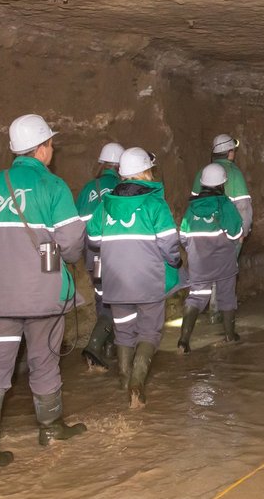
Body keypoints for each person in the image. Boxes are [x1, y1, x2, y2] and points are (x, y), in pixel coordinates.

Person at [0, 114, 88, 473]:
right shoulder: (53, 187)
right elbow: (72, 240)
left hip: (0, 297)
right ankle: (51, 430)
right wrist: (61, 262)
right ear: (43, 148)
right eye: (51, 144)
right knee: (44, 359)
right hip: (44, 294)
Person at [86, 147, 183, 409]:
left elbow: (93, 240)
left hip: (115, 283)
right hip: (148, 282)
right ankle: (137, 384)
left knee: (124, 332)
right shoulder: (154, 203)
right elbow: (169, 244)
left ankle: (124, 378)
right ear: (145, 171)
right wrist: (175, 262)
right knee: (149, 332)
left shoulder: (105, 204)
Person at [178, 163, 244, 352]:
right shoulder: (225, 205)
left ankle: (183, 341)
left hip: (199, 262)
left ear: (203, 184)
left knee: (196, 297)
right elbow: (235, 233)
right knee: (226, 296)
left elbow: (183, 235)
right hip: (223, 261)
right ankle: (230, 336)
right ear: (223, 183)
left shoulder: (192, 207)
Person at [76, 142, 124, 371]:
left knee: (101, 297)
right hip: (114, 256)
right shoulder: (122, 189)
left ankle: (108, 349)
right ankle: (95, 347)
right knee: (117, 302)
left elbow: (76, 226)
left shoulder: (88, 189)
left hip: (92, 256)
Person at [192, 134, 252, 238]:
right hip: (226, 236)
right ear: (230, 153)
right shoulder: (234, 174)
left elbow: (192, 205)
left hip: (201, 235)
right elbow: (243, 207)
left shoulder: (202, 173)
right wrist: (242, 234)